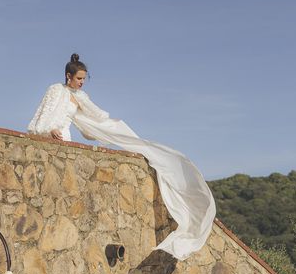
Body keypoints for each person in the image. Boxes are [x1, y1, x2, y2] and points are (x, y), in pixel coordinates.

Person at [28, 53, 216, 261]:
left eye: (84, 78)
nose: (82, 82)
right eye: (79, 78)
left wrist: (110, 123)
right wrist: (49, 129)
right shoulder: (55, 90)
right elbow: (42, 116)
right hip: (52, 134)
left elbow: (95, 118)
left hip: (66, 137)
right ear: (68, 76)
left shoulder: (81, 97)